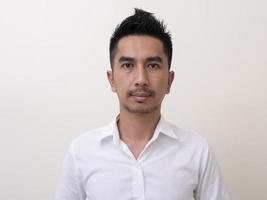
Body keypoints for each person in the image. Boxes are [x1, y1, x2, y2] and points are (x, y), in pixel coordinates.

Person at [54, 8, 230, 200]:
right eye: (128, 65)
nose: (141, 79)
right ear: (111, 79)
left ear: (169, 81)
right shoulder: (81, 152)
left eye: (153, 65)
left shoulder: (197, 151)